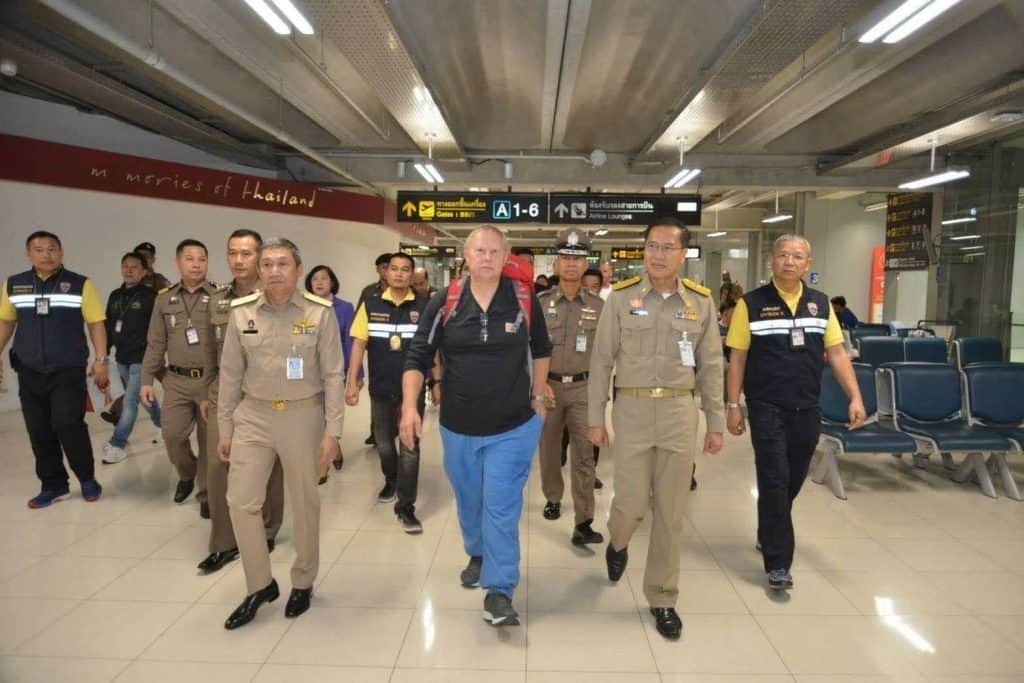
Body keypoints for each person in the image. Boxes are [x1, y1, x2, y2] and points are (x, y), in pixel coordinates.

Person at [400, 225, 552, 627]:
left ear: (506, 257)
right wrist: (408, 409)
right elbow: (418, 354)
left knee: (501, 505)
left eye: (494, 251)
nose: (486, 257)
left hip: (513, 425)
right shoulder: (445, 300)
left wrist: (538, 395)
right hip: (459, 426)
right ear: (466, 256)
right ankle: (478, 551)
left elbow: (541, 349)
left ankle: (499, 590)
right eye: (479, 251)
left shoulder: (522, 298)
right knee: (470, 501)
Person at [588, 217, 724, 640]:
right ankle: (618, 541)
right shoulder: (621, 299)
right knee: (629, 504)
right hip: (631, 409)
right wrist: (596, 417)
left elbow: (713, 367)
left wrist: (715, 421)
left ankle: (663, 597)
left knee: (671, 511)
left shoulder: (701, 303)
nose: (658, 255)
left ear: (683, 254)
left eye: (667, 247)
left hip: (679, 414)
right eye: (652, 246)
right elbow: (601, 361)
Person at [726, 234, 866, 592]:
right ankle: (778, 562)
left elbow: (835, 353)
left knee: (793, 477)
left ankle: (769, 525)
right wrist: (732, 405)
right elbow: (738, 357)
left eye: (798, 256)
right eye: (784, 255)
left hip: (807, 405)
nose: (790, 262)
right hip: (765, 405)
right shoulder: (751, 303)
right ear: (772, 259)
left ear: (809, 264)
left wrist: (855, 396)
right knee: (773, 478)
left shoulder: (821, 304)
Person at [218, 238, 343, 630]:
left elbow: (334, 375)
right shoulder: (241, 313)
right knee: (240, 501)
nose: (274, 271)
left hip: (301, 416)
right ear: (258, 269)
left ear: (298, 268)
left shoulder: (319, 313)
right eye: (267, 264)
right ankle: (260, 584)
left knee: (305, 502)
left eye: (282, 264)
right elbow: (229, 375)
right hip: (252, 415)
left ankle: (302, 581)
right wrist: (225, 427)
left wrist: (333, 432)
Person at [0, 230, 108, 507]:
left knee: (67, 423)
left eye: (52, 249)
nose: (46, 254)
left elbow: (96, 323)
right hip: (29, 369)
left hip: (67, 369)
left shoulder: (79, 284)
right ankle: (53, 485)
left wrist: (101, 359)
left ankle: (87, 478)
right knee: (38, 429)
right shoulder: (14, 285)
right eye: (39, 250)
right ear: (28, 254)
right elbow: (6, 323)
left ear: (61, 252)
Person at [198, 229, 285, 575]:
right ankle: (223, 542)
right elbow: (208, 348)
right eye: (232, 253)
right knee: (218, 467)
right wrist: (207, 389)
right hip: (226, 392)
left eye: (246, 254)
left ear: (260, 257)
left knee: (269, 468)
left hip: (267, 395)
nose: (238, 260)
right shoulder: (218, 300)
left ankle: (265, 530)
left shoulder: (277, 296)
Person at [346, 252, 429, 533]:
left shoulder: (424, 305)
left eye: (405, 270)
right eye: (394, 269)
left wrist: (438, 382)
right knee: (383, 443)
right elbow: (358, 344)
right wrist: (352, 379)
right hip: (380, 387)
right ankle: (391, 480)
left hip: (412, 391)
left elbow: (433, 347)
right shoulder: (370, 304)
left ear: (411, 274)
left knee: (410, 447)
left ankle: (406, 506)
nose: (399, 274)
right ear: (386, 272)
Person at [537, 229, 604, 545]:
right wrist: (537, 386)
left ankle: (584, 520)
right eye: (566, 258)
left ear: (585, 262)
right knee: (550, 450)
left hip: (583, 389)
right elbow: (529, 349)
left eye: (578, 258)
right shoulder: (541, 303)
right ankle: (552, 496)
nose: (572, 264)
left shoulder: (598, 306)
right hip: (548, 388)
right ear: (556, 263)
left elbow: (605, 355)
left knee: (584, 455)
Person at [140, 239, 217, 509]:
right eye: (190, 258)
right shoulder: (164, 299)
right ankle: (187, 474)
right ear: (177, 263)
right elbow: (156, 343)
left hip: (211, 381)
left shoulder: (220, 297)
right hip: (177, 381)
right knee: (172, 435)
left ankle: (208, 493)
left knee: (210, 442)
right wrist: (146, 380)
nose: (196, 264)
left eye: (202, 259)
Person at [101, 251, 161, 464]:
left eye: (134, 266)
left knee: (130, 401)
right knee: (144, 397)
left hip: (142, 358)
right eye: (125, 265)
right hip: (122, 357)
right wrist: (104, 353)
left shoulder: (149, 297)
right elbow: (108, 326)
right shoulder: (115, 296)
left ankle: (117, 444)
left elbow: (157, 330)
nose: (129, 270)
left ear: (144, 271)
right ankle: (162, 425)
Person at [306, 264, 358, 479]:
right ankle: (323, 461)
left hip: (335, 371)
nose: (319, 282)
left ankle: (332, 447)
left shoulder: (344, 308)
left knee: (330, 414)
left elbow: (351, 341)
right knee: (314, 416)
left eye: (324, 278)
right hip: (309, 373)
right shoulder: (303, 307)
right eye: (315, 279)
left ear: (332, 282)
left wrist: (356, 375)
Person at [357, 252, 392, 446]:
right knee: (377, 390)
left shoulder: (406, 290)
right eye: (383, 267)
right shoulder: (369, 291)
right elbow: (359, 319)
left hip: (400, 350)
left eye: (390, 266)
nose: (387, 271)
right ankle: (376, 430)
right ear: (377, 269)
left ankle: (391, 428)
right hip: (377, 350)